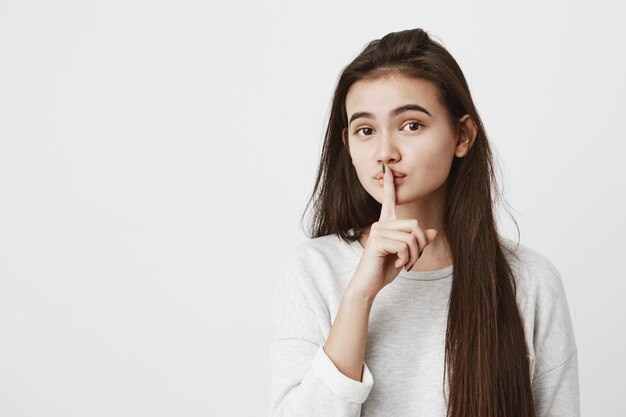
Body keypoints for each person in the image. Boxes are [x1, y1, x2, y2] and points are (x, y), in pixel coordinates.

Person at [269, 28, 579, 417]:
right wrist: (359, 296)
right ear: (348, 146)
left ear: (462, 136)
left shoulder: (530, 281)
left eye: (411, 125)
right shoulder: (312, 270)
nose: (385, 152)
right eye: (366, 131)